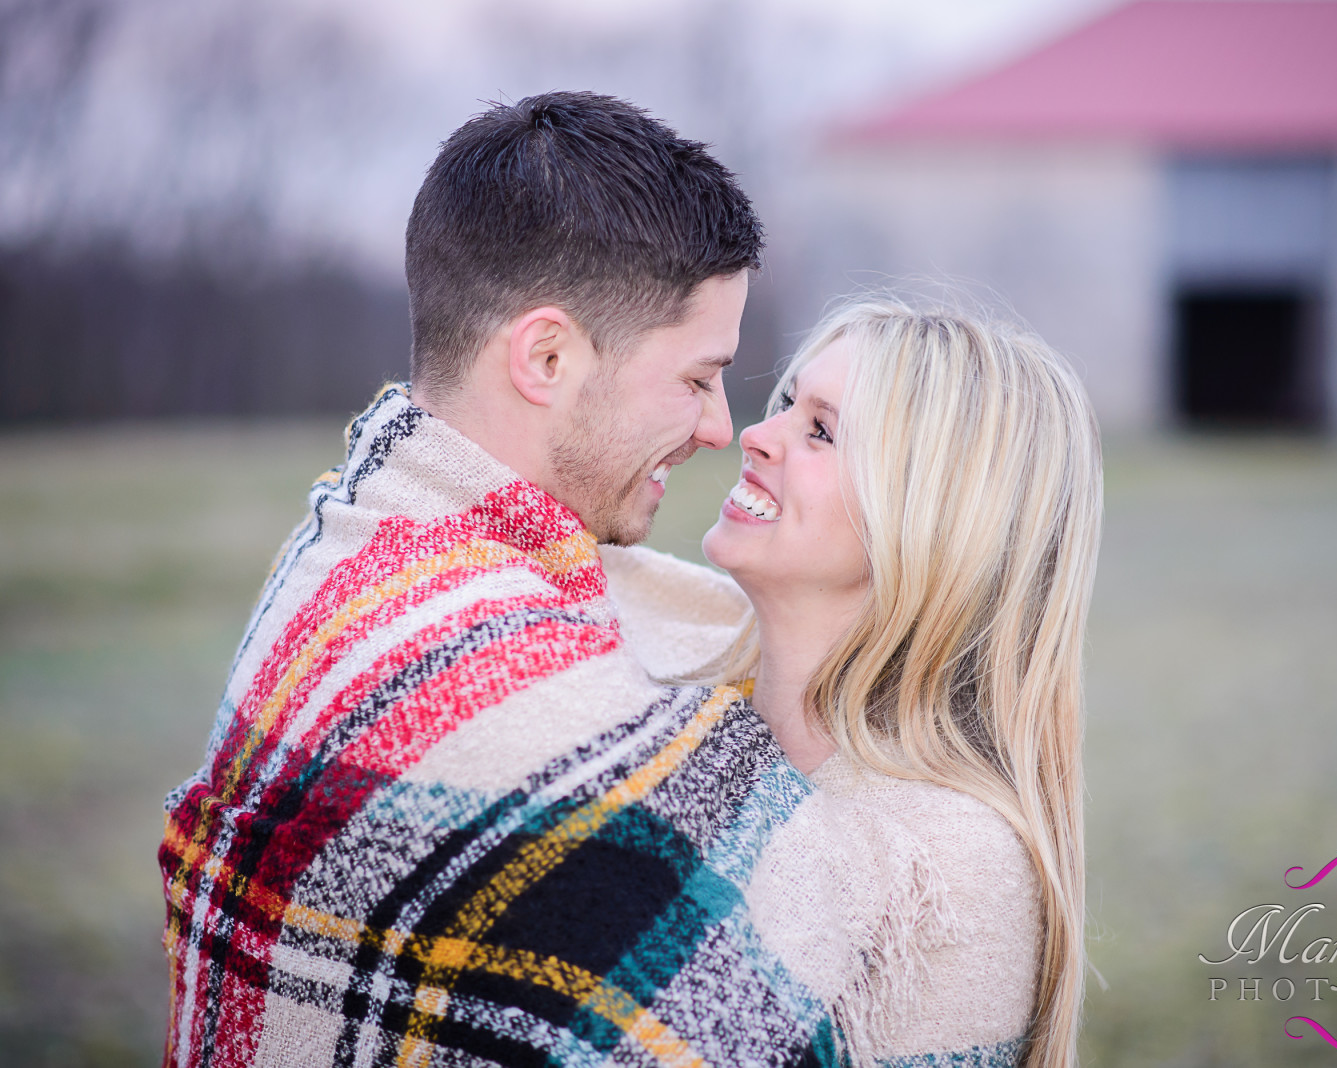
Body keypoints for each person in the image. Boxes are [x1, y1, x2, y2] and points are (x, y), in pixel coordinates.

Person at [158, 92, 856, 1067]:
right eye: (697, 378)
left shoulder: (361, 544)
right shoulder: (516, 684)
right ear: (548, 356)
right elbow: (823, 1016)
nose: (717, 429)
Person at [688, 297, 1103, 1067]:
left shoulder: (946, 871)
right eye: (787, 404)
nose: (755, 434)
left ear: (926, 523)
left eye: (820, 430)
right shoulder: (656, 682)